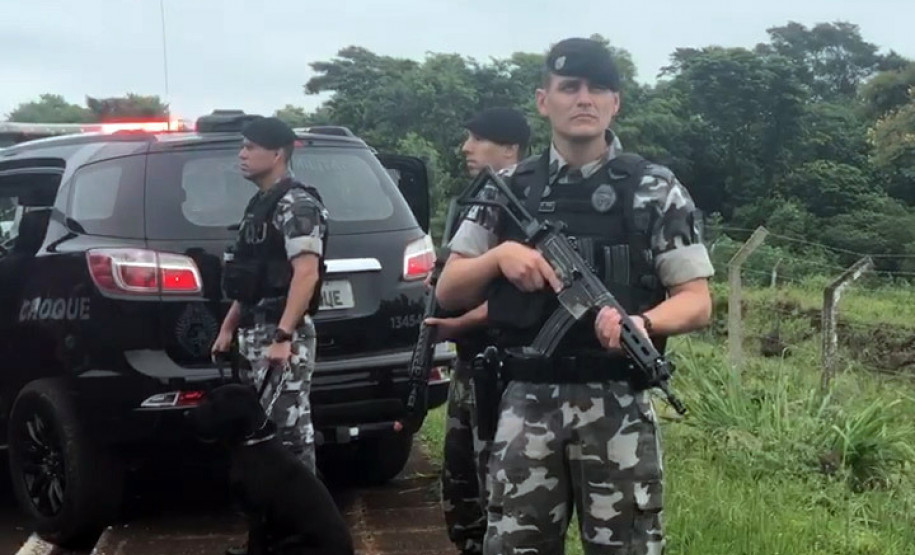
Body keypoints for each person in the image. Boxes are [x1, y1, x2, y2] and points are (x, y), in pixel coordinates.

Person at [436, 37, 714, 555]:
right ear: (545, 101)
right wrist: (500, 258)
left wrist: (643, 324)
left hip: (618, 406)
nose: (584, 99)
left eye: (598, 89)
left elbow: (697, 300)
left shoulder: (654, 188)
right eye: (569, 87)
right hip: (525, 404)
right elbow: (448, 288)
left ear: (616, 103)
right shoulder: (508, 188)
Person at [427, 107, 530, 555]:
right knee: (461, 484)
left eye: (477, 139)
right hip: (471, 360)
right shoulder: (485, 194)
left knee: (496, 488)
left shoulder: (522, 197)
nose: (466, 148)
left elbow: (527, 293)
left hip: (502, 366)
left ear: (509, 148)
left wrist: (460, 322)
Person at [212, 116, 328, 476]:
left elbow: (305, 273)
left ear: (277, 153)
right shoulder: (261, 205)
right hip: (254, 330)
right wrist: (228, 328)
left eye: (250, 147)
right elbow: (252, 278)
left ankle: (305, 516)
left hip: (280, 334)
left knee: (288, 433)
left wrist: (283, 336)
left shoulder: (297, 204)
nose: (242, 154)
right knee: (261, 432)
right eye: (242, 146)